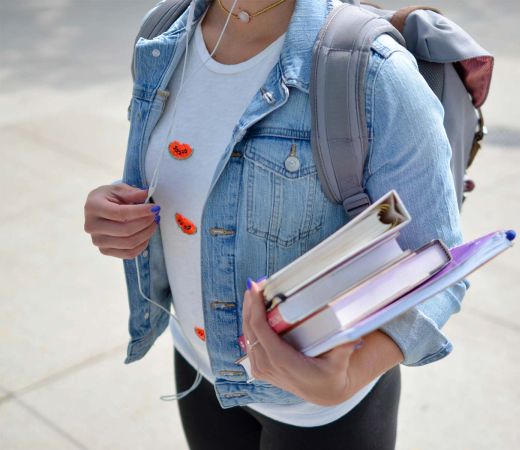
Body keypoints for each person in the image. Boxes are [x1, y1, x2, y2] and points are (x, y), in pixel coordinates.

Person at [83, 0, 467, 448]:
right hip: (198, 363)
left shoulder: (375, 73)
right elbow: (190, 171)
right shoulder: (163, 32)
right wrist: (116, 208)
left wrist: (347, 378)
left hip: (321, 412)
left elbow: (438, 266)